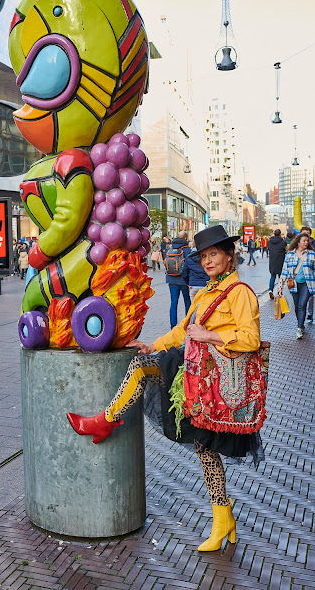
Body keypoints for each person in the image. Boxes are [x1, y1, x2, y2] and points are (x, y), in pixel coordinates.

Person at [67, 225, 263, 552]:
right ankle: (223, 519)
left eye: (214, 254)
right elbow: (183, 330)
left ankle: (105, 420)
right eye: (203, 257)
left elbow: (251, 339)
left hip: (216, 380)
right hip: (195, 375)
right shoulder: (206, 290)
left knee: (205, 447)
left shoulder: (240, 291)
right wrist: (153, 345)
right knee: (201, 443)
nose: (207, 261)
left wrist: (210, 336)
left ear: (230, 256)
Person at [278, 232, 315, 339]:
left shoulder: (312, 254)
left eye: (307, 241)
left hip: (307, 284)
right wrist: (280, 286)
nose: (306, 243)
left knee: (302, 305)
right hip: (293, 284)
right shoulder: (290, 254)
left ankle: (299, 329)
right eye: (304, 241)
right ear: (298, 242)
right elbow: (284, 271)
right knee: (297, 306)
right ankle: (301, 324)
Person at [165, 231, 191, 328]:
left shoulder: (169, 249)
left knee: (173, 302)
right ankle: (188, 324)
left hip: (171, 279)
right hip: (184, 280)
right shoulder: (187, 250)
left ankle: (173, 326)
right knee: (187, 301)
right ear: (186, 238)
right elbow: (189, 265)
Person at [300, 227, 314, 323]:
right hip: (299, 278)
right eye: (304, 233)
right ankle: (301, 320)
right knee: (300, 303)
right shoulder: (296, 247)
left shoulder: (313, 244)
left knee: (309, 298)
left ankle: (309, 314)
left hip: (310, 276)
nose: (306, 234)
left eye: (308, 233)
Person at [267, 229, 286, 299]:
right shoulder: (283, 242)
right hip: (280, 262)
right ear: (280, 234)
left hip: (272, 262)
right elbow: (285, 250)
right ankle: (279, 291)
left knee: (272, 277)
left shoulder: (269, 242)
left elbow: (269, 249)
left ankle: (270, 290)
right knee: (280, 278)